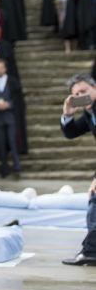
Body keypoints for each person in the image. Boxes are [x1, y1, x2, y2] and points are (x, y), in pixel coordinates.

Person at [60, 75, 96, 265]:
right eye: (77, 94)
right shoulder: (90, 113)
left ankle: (91, 251)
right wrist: (67, 113)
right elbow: (71, 132)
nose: (82, 96)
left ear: (95, 88)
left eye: (85, 91)